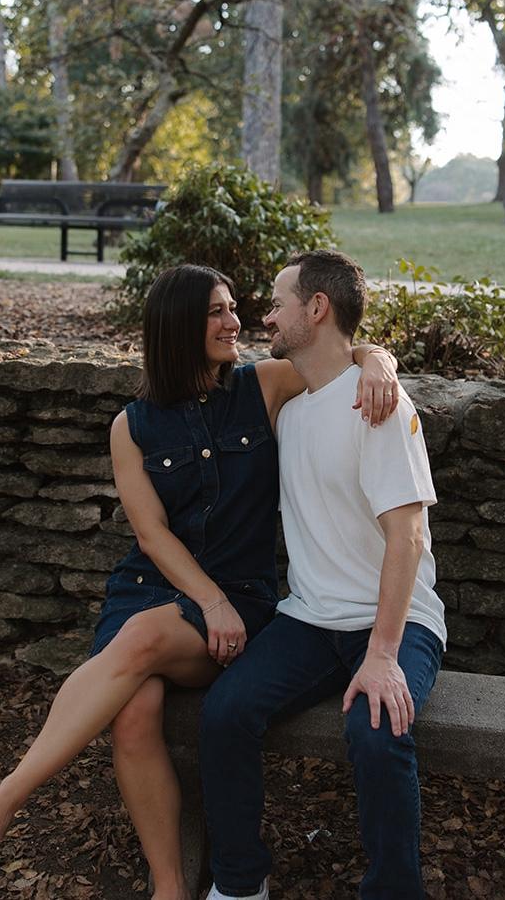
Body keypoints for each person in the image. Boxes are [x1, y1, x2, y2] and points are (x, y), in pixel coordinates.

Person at [0, 263, 400, 896]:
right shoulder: (132, 426)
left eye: (233, 308)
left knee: (144, 641)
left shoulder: (263, 385)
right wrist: (206, 600)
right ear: (178, 325)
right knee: (135, 711)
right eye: (216, 312)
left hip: (239, 599)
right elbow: (150, 535)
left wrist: (379, 361)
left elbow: (338, 352)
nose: (234, 322)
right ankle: (170, 887)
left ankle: (0, 806)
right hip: (150, 589)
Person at [200, 250, 446, 900]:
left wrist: (383, 655)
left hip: (397, 622)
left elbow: (408, 535)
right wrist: (374, 353)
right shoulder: (288, 409)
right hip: (309, 618)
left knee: (377, 731)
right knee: (223, 714)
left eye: (277, 303)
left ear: (316, 308)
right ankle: (239, 884)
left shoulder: (379, 405)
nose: (265, 317)